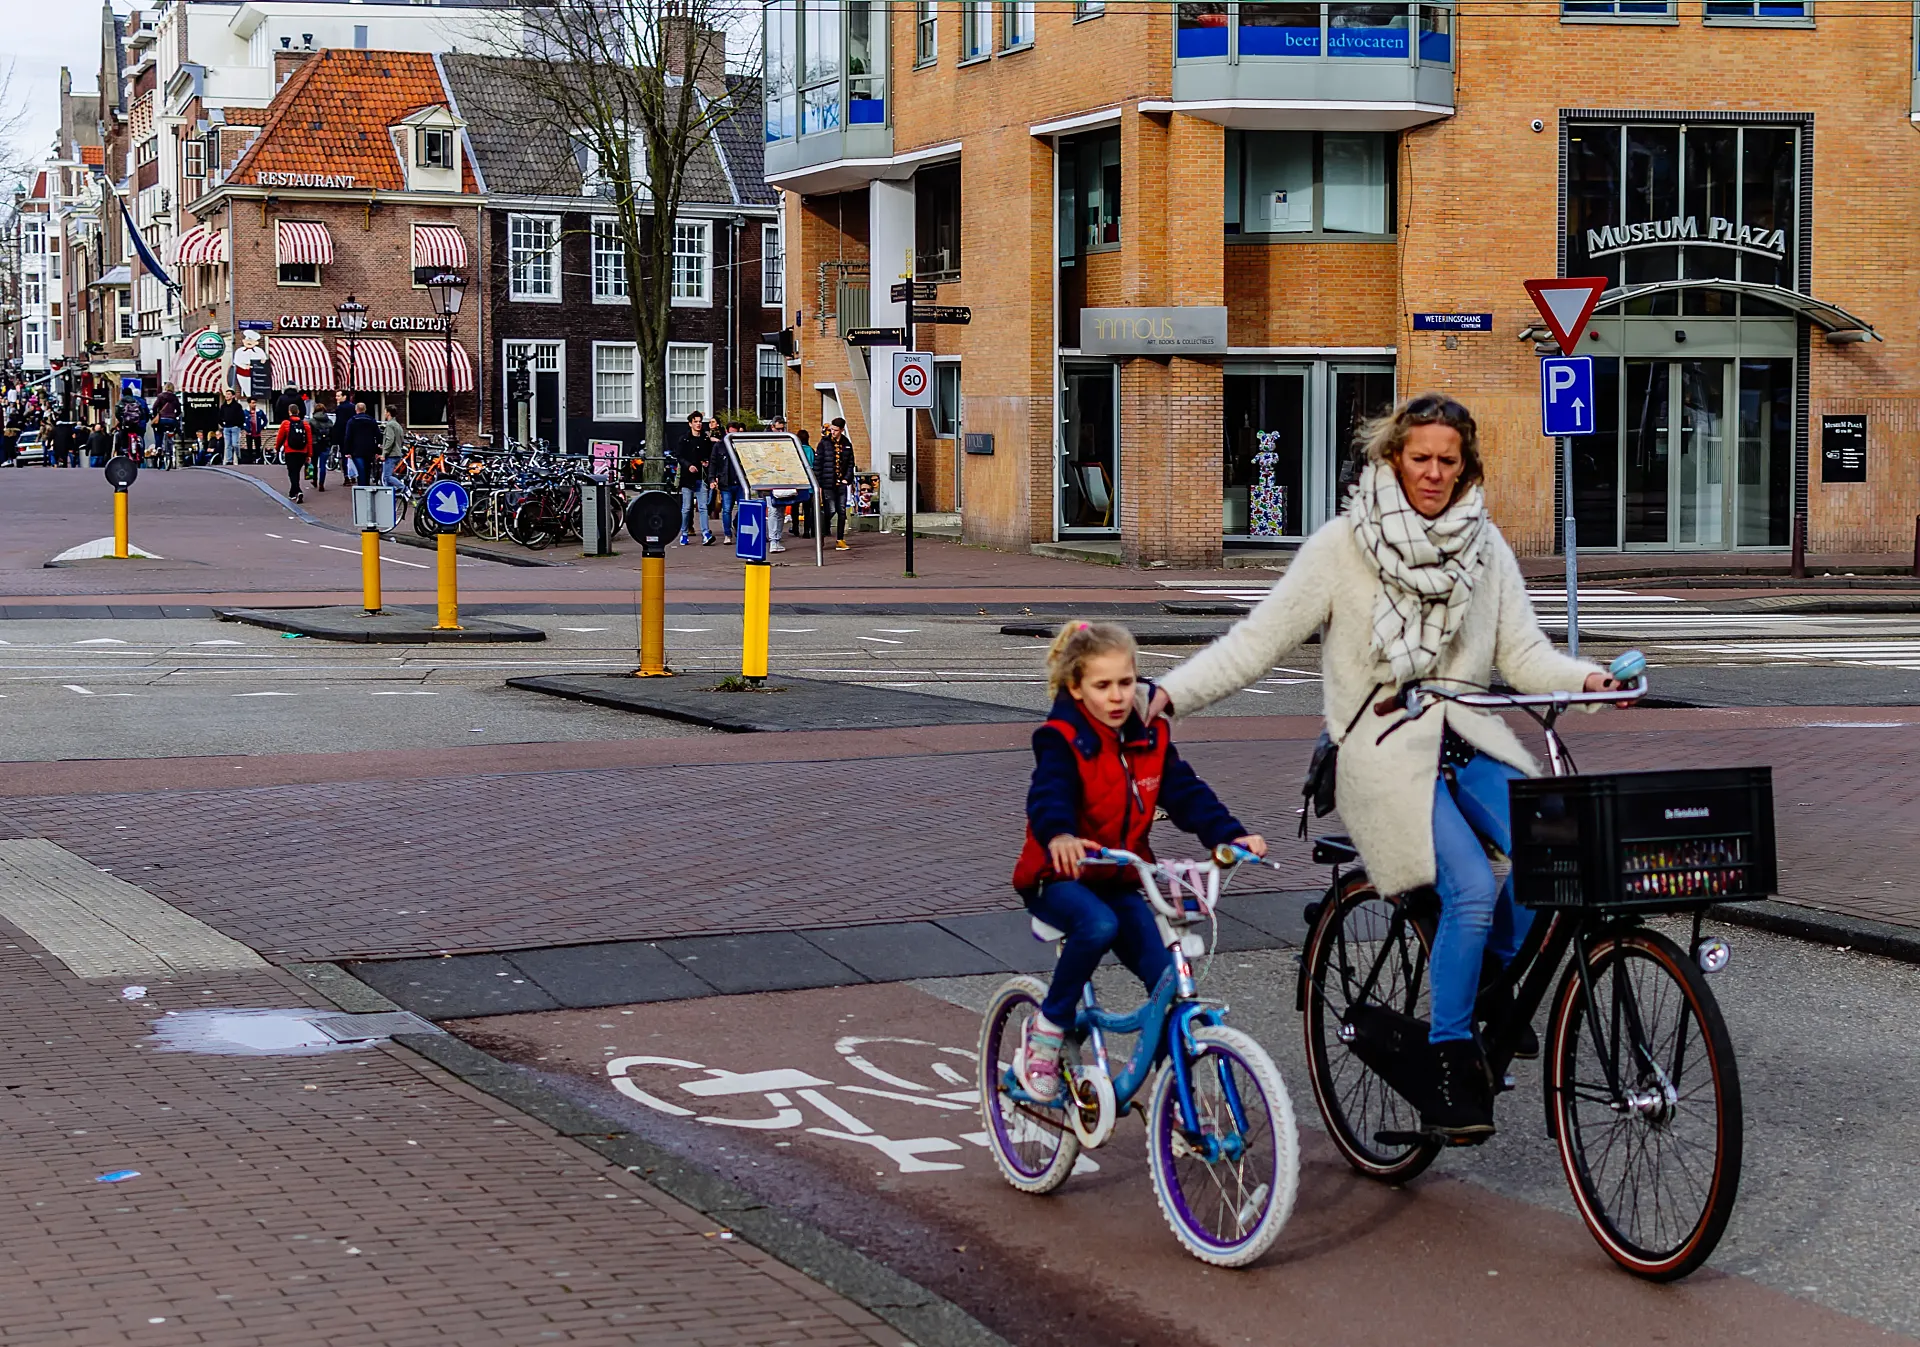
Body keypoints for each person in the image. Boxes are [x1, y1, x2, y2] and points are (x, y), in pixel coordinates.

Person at [1147, 394, 1625, 1142]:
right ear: (1392, 457)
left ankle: (1486, 984)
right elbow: (1258, 640)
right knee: (1469, 884)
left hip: (1465, 738)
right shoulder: (1345, 544)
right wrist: (1170, 693)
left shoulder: (1485, 546)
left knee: (1560, 849)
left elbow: (1523, 652)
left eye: (1448, 460)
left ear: (1466, 466)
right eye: (1420, 457)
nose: (1433, 473)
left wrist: (1589, 681)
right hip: (1379, 747)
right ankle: (1447, 1056)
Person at [1010, 620, 1267, 1103]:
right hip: (1059, 876)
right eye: (1102, 686)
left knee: (1165, 979)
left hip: (1121, 876)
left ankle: (1183, 1108)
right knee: (1098, 926)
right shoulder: (1060, 738)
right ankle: (1048, 1030)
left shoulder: (1150, 737)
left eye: (1125, 683)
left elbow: (1187, 794)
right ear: (1076, 687)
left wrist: (1231, 836)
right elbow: (1049, 794)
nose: (1116, 697)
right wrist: (1060, 836)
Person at [670, 411, 713, 545]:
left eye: (700, 421)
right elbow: (679, 456)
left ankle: (706, 532)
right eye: (695, 422)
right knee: (686, 507)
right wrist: (688, 466)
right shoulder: (684, 439)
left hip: (701, 476)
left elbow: (709, 454)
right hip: (687, 478)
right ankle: (683, 532)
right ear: (690, 424)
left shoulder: (705, 439)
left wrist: (706, 462)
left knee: (703, 507)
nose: (698, 424)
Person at [816, 418, 857, 552]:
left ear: (842, 430)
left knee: (842, 511)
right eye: (831, 430)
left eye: (835, 430)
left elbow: (851, 463)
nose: (832, 432)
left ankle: (840, 539)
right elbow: (818, 463)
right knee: (831, 510)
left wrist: (847, 479)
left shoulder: (847, 444)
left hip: (841, 483)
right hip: (828, 482)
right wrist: (818, 482)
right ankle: (821, 533)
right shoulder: (824, 443)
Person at [275, 402, 313, 503]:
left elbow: (280, 438)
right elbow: (309, 440)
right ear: (298, 412)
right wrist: (309, 454)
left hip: (290, 451)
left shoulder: (285, 424)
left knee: (292, 472)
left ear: (289, 412)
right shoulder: (305, 424)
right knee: (296, 472)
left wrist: (277, 448)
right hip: (302, 452)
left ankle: (298, 491)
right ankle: (293, 492)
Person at [710, 422, 740, 543]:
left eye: (735, 432)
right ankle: (727, 534)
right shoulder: (719, 446)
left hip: (739, 482)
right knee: (726, 509)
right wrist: (712, 478)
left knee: (743, 507)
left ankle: (736, 524)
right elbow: (713, 463)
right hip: (725, 482)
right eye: (731, 432)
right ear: (727, 432)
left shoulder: (741, 444)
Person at [344, 400, 381, 489]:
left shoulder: (352, 421)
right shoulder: (372, 420)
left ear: (356, 410)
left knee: (361, 470)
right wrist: (377, 449)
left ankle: (362, 489)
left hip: (356, 449)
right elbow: (378, 435)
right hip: (369, 449)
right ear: (365, 409)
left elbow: (348, 436)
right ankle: (367, 487)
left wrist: (347, 451)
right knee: (367, 469)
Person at [150, 383, 181, 468]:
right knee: (172, 431)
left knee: (158, 431)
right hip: (171, 420)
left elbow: (154, 407)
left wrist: (156, 415)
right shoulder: (174, 397)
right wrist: (175, 416)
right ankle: (170, 444)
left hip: (162, 420)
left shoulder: (160, 396)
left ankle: (159, 446)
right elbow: (179, 410)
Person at [379, 407, 405, 488]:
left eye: (385, 411)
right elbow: (401, 439)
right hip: (397, 453)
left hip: (391, 454)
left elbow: (390, 439)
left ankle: (404, 488)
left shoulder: (390, 425)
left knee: (387, 477)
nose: (384, 413)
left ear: (388, 413)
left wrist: (384, 453)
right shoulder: (397, 425)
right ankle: (389, 497)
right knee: (388, 481)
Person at [219, 390, 246, 465]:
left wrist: (239, 425)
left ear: (233, 396)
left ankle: (238, 457)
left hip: (235, 428)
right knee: (227, 445)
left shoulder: (237, 406)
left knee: (235, 444)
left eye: (229, 394)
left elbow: (242, 417)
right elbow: (220, 416)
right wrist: (222, 424)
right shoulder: (223, 406)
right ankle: (229, 460)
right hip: (226, 428)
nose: (227, 396)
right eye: (226, 394)